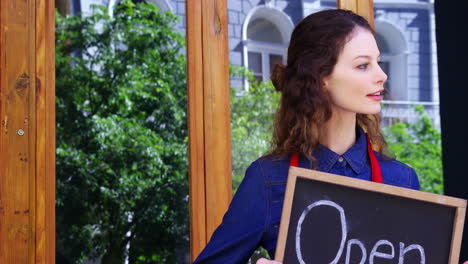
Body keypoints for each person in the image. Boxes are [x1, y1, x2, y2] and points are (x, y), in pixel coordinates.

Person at [193, 9, 420, 264]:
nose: (382, 75)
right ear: (321, 77)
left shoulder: (402, 181)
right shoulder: (269, 181)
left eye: (378, 62)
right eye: (363, 65)